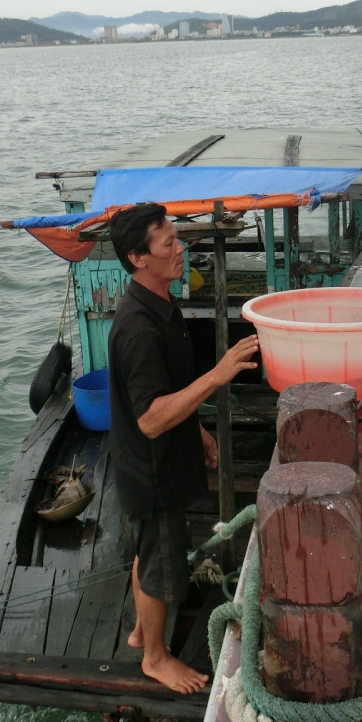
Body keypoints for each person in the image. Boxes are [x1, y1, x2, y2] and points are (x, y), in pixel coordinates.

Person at [106, 203, 260, 694]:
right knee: (161, 565)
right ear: (138, 258)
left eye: (177, 238)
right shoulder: (138, 327)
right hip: (152, 472)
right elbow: (150, 419)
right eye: (168, 243)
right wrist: (218, 375)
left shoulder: (161, 304)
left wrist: (198, 432)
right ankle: (155, 657)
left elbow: (168, 387)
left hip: (150, 462)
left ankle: (139, 632)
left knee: (146, 550)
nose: (180, 249)